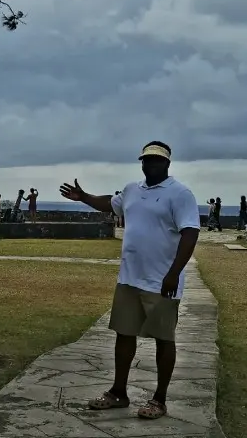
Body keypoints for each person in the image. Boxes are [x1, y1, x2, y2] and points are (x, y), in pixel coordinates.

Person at [59, 141, 200, 421]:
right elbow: (111, 205)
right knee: (124, 334)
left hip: (162, 282)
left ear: (167, 164)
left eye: (157, 161)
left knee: (164, 339)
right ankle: (118, 392)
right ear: (142, 163)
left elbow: (190, 234)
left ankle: (159, 399)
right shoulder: (132, 190)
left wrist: (173, 273)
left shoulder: (180, 194)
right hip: (130, 277)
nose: (151, 164)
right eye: (147, 160)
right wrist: (84, 196)